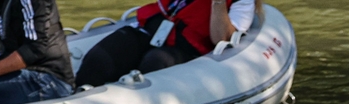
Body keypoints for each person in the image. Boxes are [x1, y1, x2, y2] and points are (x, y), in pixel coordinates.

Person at [75, 0, 259, 88]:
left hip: (186, 48)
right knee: (98, 59)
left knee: (155, 63)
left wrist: (217, 3)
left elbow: (222, 39)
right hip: (151, 30)